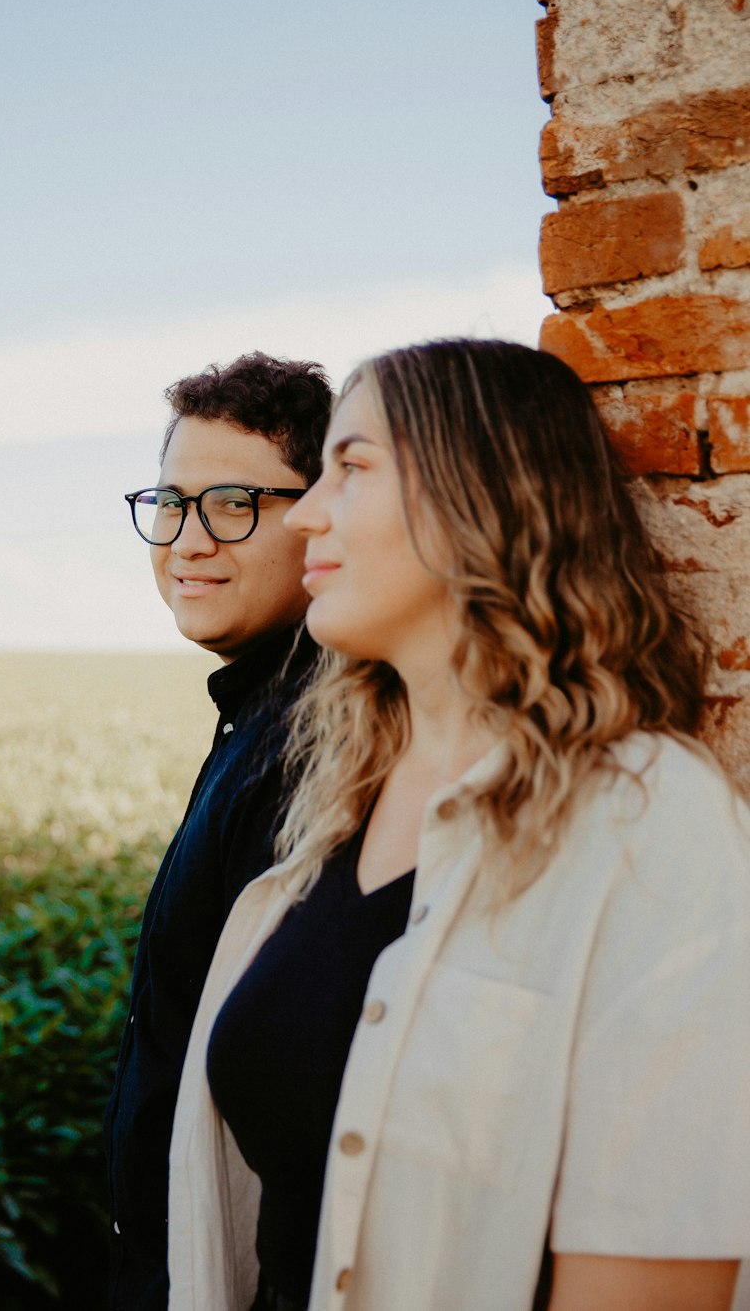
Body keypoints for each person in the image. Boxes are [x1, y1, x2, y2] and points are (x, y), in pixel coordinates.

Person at [168, 338, 750, 1311]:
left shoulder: (653, 823)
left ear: (484, 499)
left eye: (349, 469)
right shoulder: (334, 807)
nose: (307, 513)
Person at [104, 350, 332, 1311]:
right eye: (171, 503)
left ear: (322, 519)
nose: (188, 541)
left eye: (235, 503)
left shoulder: (309, 745)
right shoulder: (253, 712)